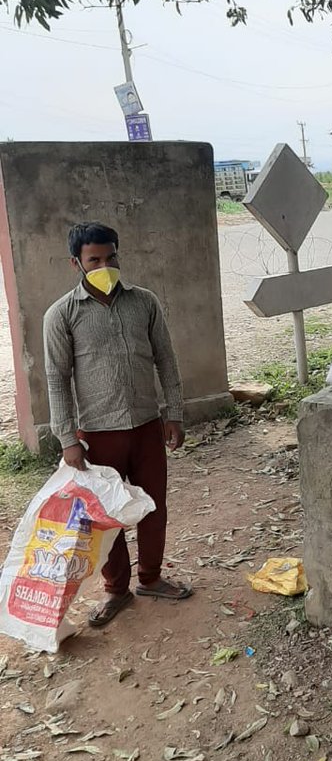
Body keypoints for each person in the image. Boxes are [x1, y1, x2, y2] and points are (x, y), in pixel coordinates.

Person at [43, 222, 193, 628]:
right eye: (94, 260)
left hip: (147, 426)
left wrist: (173, 412)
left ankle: (151, 578)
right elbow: (56, 378)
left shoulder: (144, 302)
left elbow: (166, 359)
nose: (105, 265)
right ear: (77, 263)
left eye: (111, 257)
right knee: (107, 517)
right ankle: (116, 591)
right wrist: (67, 439)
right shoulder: (62, 315)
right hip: (97, 435)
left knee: (153, 508)